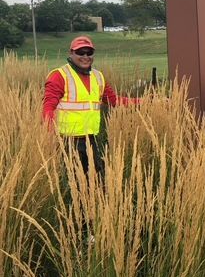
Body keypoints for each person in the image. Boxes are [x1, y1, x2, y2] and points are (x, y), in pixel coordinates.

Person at [42, 35, 138, 176]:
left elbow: (114, 101)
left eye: (89, 52)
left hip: (90, 139)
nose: (85, 56)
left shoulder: (98, 76)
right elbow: (48, 107)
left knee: (95, 181)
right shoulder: (59, 76)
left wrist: (148, 101)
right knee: (74, 182)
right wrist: (49, 136)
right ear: (71, 53)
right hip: (66, 141)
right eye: (80, 52)